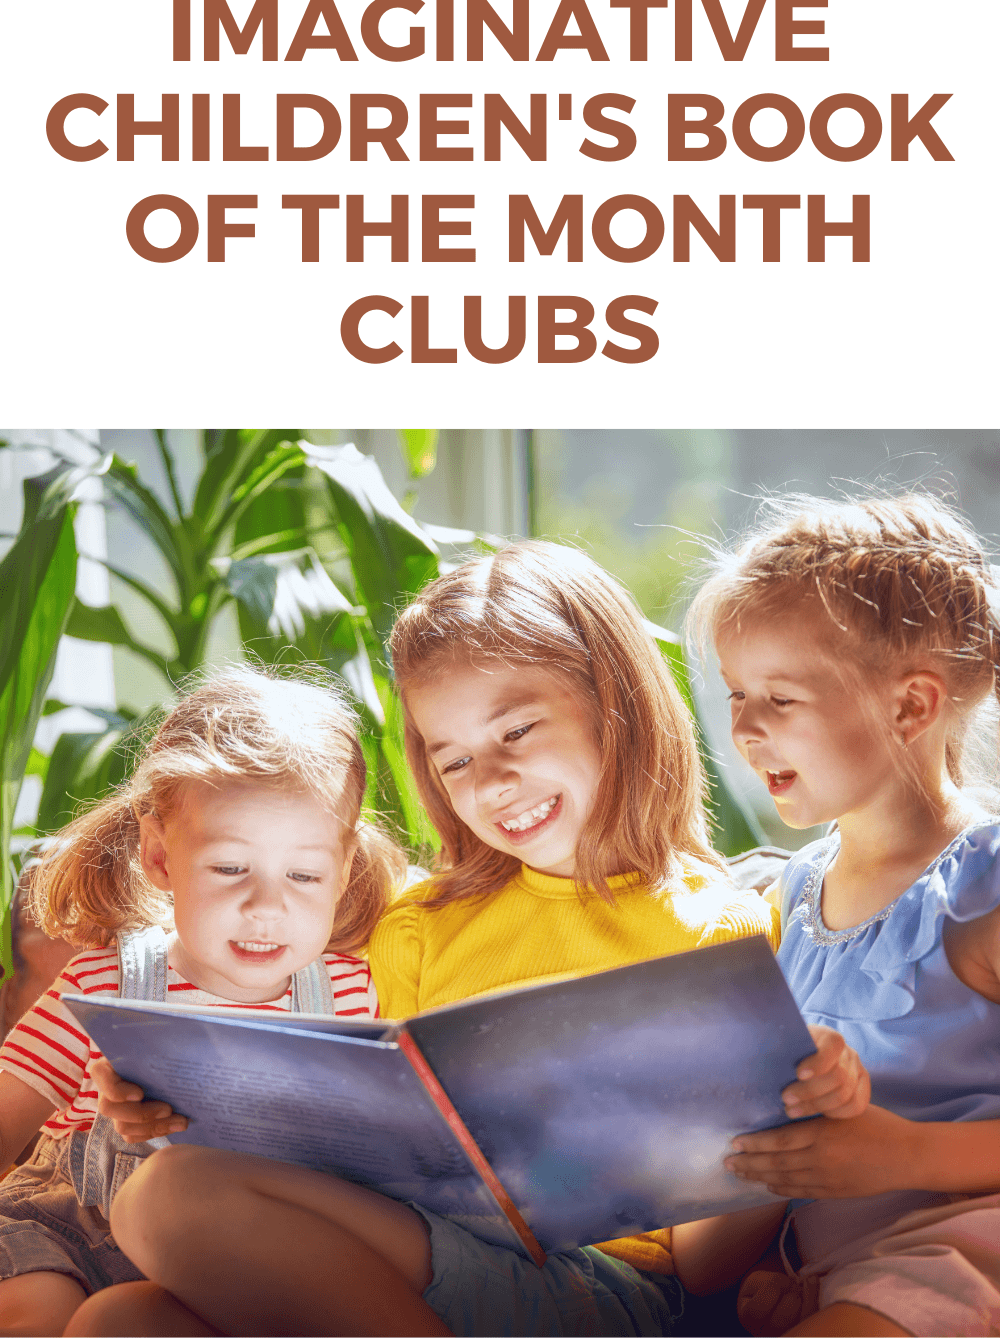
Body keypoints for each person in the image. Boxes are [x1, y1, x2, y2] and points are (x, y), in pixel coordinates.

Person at [69, 542, 864, 1338]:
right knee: (116, 1320)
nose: (489, 781)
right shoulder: (418, 926)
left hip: (603, 1286)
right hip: (417, 1249)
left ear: (615, 703)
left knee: (170, 1197)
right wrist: (174, 1106)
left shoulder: (714, 932)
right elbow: (343, 1140)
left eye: (516, 730)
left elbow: (704, 1265)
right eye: (453, 760)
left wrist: (785, 1122)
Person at [672, 493, 1000, 1338]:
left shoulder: (985, 885)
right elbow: (703, 1259)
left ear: (910, 707)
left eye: (780, 699)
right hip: (844, 1273)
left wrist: (908, 1156)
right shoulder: (796, 892)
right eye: (738, 693)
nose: (742, 728)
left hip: (965, 1257)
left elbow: (883, 1164)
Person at [0, 666, 404, 1338]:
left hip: (234, 1260)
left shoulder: (351, 995)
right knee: (36, 1314)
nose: (266, 906)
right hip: (72, 1238)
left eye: (304, 874)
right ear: (160, 856)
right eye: (229, 867)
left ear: (344, 868)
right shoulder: (100, 987)